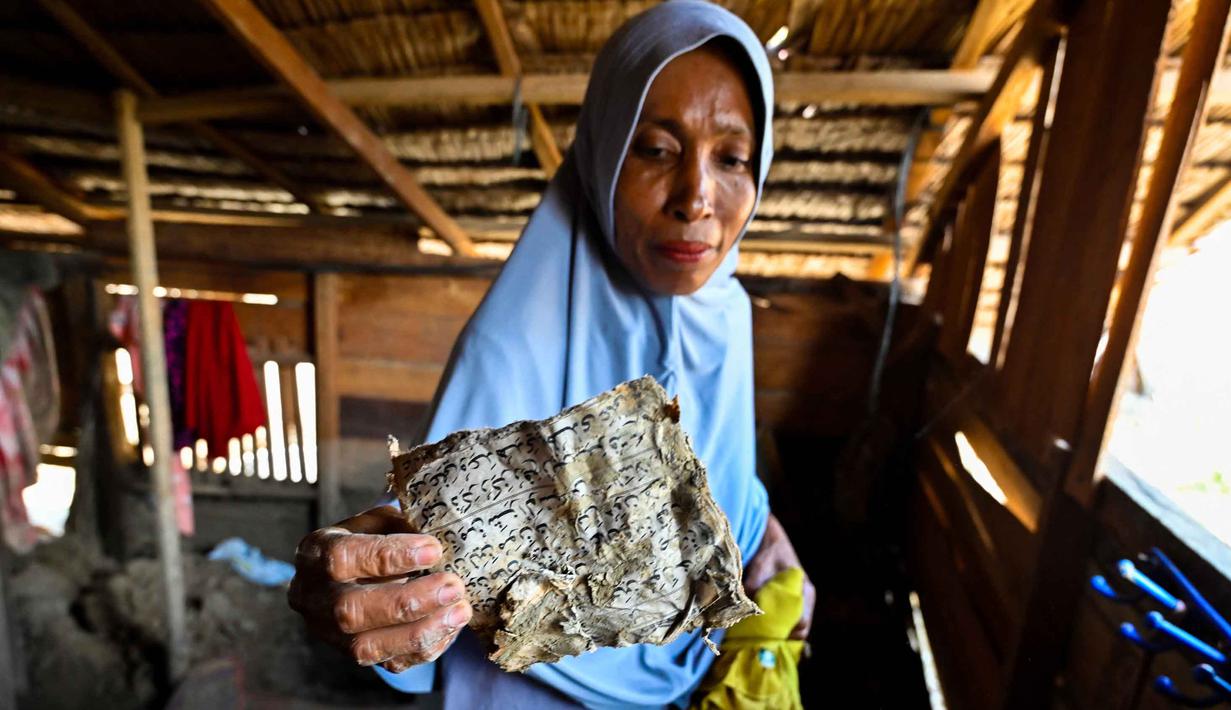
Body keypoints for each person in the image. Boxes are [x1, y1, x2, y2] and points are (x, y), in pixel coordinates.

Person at [288, 2, 816, 706]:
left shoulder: (725, 314)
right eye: (656, 150)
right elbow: (416, 559)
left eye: (732, 158)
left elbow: (718, 472)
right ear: (602, 154)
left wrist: (765, 534)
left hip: (688, 685)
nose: (696, 197)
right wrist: (366, 583)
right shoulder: (513, 343)